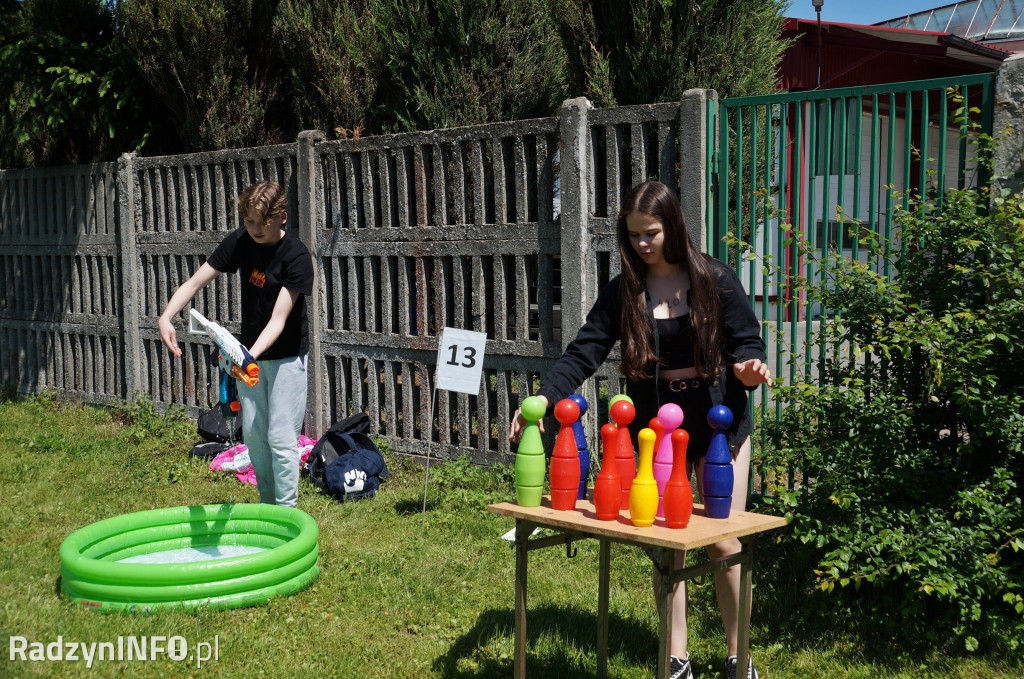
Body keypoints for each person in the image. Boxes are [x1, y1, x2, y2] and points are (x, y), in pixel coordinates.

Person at [508, 180, 771, 679]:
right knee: (667, 539)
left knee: (722, 539)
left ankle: (739, 655)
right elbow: (584, 350)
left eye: (650, 233)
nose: (642, 244)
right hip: (659, 428)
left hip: (719, 420)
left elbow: (746, 342)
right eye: (632, 236)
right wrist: (545, 396)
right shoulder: (625, 289)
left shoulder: (715, 278)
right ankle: (676, 659)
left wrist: (748, 368)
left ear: (672, 225)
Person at [158, 181, 314, 508]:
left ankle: (287, 514)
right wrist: (166, 316)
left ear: (282, 217)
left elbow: (279, 320)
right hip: (249, 359)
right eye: (249, 221)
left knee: (281, 439)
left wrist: (247, 356)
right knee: (255, 437)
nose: (255, 229)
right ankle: (267, 507)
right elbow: (196, 280)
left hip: (286, 359)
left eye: (263, 222)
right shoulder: (242, 241)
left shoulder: (296, 256)